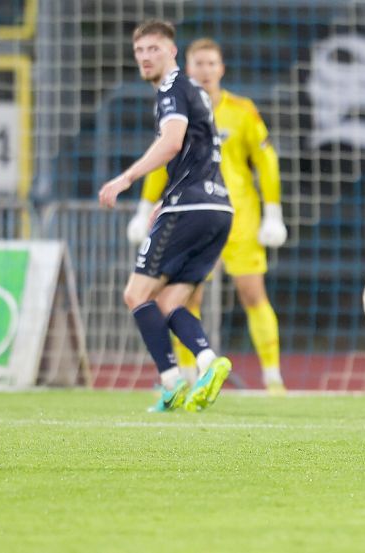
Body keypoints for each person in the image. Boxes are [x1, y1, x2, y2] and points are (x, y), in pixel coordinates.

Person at [128, 38, 289, 395]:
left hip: (240, 216)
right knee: (186, 297)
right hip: (193, 214)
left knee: (252, 293)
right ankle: (189, 374)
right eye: (198, 63)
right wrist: (144, 208)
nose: (205, 70)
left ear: (222, 68)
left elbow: (266, 161)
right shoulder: (179, 109)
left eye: (211, 63)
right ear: (187, 67)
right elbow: (163, 161)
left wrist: (273, 212)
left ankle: (273, 377)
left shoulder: (242, 110)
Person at [99, 20, 234, 413]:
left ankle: (171, 381)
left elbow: (172, 142)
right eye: (139, 51)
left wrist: (126, 178)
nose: (144, 57)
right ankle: (208, 362)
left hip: (189, 207)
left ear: (172, 51)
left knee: (135, 294)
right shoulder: (196, 91)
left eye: (153, 49)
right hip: (218, 209)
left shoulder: (173, 88)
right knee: (171, 301)